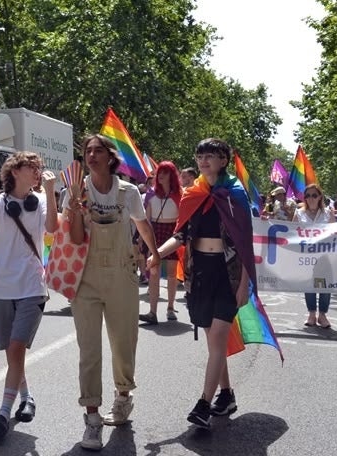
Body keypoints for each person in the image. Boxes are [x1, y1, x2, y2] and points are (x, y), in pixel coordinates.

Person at [150, 138, 255, 430]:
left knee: (218, 337)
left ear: (224, 160)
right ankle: (227, 394)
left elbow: (245, 244)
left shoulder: (235, 195)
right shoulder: (192, 194)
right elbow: (182, 235)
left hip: (228, 274)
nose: (204, 160)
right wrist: (157, 254)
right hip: (199, 275)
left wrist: (244, 284)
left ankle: (203, 405)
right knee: (213, 341)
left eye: (210, 155)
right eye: (199, 156)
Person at [66, 135, 158, 450]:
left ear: (110, 157)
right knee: (88, 349)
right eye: (87, 151)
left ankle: (122, 396)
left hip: (122, 274)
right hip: (86, 277)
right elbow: (75, 239)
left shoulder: (128, 191)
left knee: (123, 342)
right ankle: (92, 419)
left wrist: (154, 252)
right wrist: (76, 209)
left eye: (97, 150)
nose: (91, 155)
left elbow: (142, 225)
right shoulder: (75, 190)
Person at [0, 151, 58, 436]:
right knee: (13, 356)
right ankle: (26, 397)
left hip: (32, 288)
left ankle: (3, 412)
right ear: (13, 171)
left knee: (16, 349)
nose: (37, 171)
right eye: (31, 167)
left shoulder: (42, 201)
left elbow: (53, 229)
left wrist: (49, 189)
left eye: (39, 168)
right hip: (0, 289)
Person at [140, 161, 182, 325]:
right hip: (155, 233)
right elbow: (147, 218)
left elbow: (182, 219)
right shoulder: (151, 193)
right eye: (159, 172)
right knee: (154, 272)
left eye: (165, 172)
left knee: (172, 274)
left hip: (172, 234)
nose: (161, 175)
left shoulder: (179, 194)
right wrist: (144, 238)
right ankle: (152, 312)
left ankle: (170, 308)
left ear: (172, 175)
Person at [295, 184, 336, 328]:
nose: (310, 199)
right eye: (307, 196)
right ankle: (311, 314)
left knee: (325, 286)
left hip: (324, 255)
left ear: (320, 197)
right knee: (309, 285)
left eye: (314, 195)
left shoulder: (328, 214)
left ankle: (322, 315)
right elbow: (290, 232)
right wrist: (265, 221)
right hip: (306, 255)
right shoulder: (299, 213)